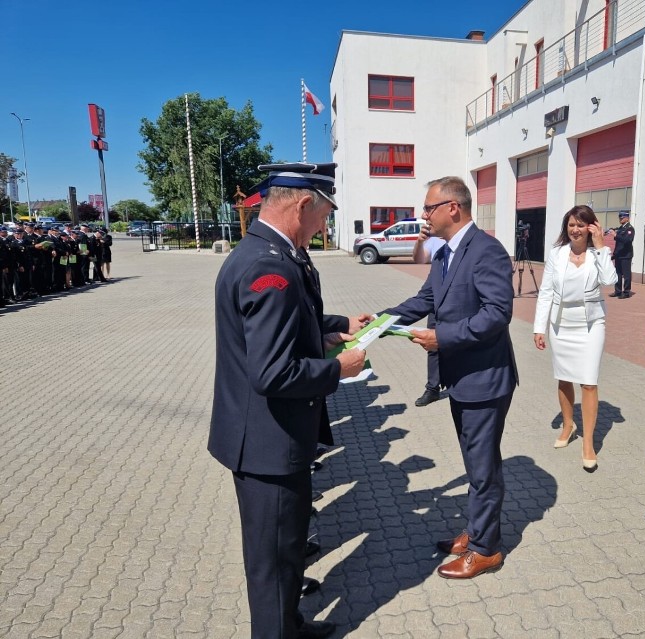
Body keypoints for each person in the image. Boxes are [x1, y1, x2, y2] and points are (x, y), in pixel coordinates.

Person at [208, 162, 368, 639]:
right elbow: (273, 371)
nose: (324, 226)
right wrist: (338, 367)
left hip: (272, 439)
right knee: (274, 567)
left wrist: (328, 331)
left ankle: (291, 627)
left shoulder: (270, 251)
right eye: (323, 215)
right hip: (268, 445)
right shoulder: (268, 266)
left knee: (286, 555)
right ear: (302, 204)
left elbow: (286, 330)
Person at [378, 176, 518, 579]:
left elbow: (497, 313)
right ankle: (476, 530)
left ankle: (485, 549)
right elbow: (425, 300)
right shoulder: (444, 253)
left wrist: (443, 337)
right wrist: (381, 323)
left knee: (483, 467)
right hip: (460, 378)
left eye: (429, 208)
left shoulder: (487, 251)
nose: (424, 215)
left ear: (453, 208)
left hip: (485, 379)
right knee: (474, 463)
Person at [533, 205, 617, 472]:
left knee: (589, 382)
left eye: (581, 225)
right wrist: (539, 327)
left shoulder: (598, 253)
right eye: (571, 225)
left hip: (591, 324)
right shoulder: (557, 254)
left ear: (591, 227)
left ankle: (589, 442)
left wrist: (602, 246)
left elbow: (610, 280)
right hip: (561, 325)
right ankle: (568, 425)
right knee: (564, 376)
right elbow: (546, 292)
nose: (575, 230)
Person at [411, 224, 446, 407]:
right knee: (432, 347)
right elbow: (419, 259)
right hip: (435, 300)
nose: (427, 217)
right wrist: (419, 241)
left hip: (455, 306)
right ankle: (433, 388)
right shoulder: (434, 241)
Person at [609, 210, 634, 299]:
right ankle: (618, 291)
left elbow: (627, 240)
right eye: (619, 217)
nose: (620, 219)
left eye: (622, 217)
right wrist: (614, 254)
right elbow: (618, 244)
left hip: (626, 255)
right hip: (619, 255)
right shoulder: (620, 228)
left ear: (627, 218)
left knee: (626, 275)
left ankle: (626, 292)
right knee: (618, 274)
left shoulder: (630, 229)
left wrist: (616, 235)